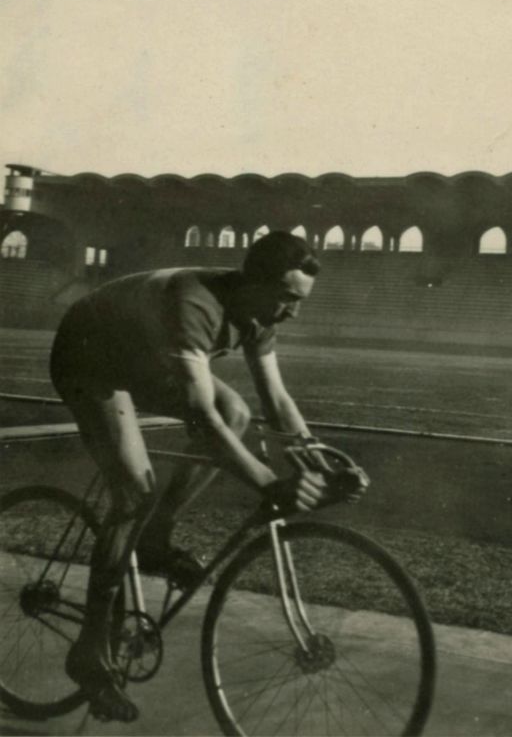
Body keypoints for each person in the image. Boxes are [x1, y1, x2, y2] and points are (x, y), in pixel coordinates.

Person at [50, 231, 344, 722]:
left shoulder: (257, 311)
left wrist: (319, 458)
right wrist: (270, 482)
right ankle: (89, 653)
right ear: (256, 283)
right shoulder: (196, 303)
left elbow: (276, 399)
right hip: (89, 357)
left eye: (300, 302)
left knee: (239, 415)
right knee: (133, 494)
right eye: (288, 299)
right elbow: (200, 419)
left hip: (141, 354)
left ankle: (156, 540)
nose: (293, 312)